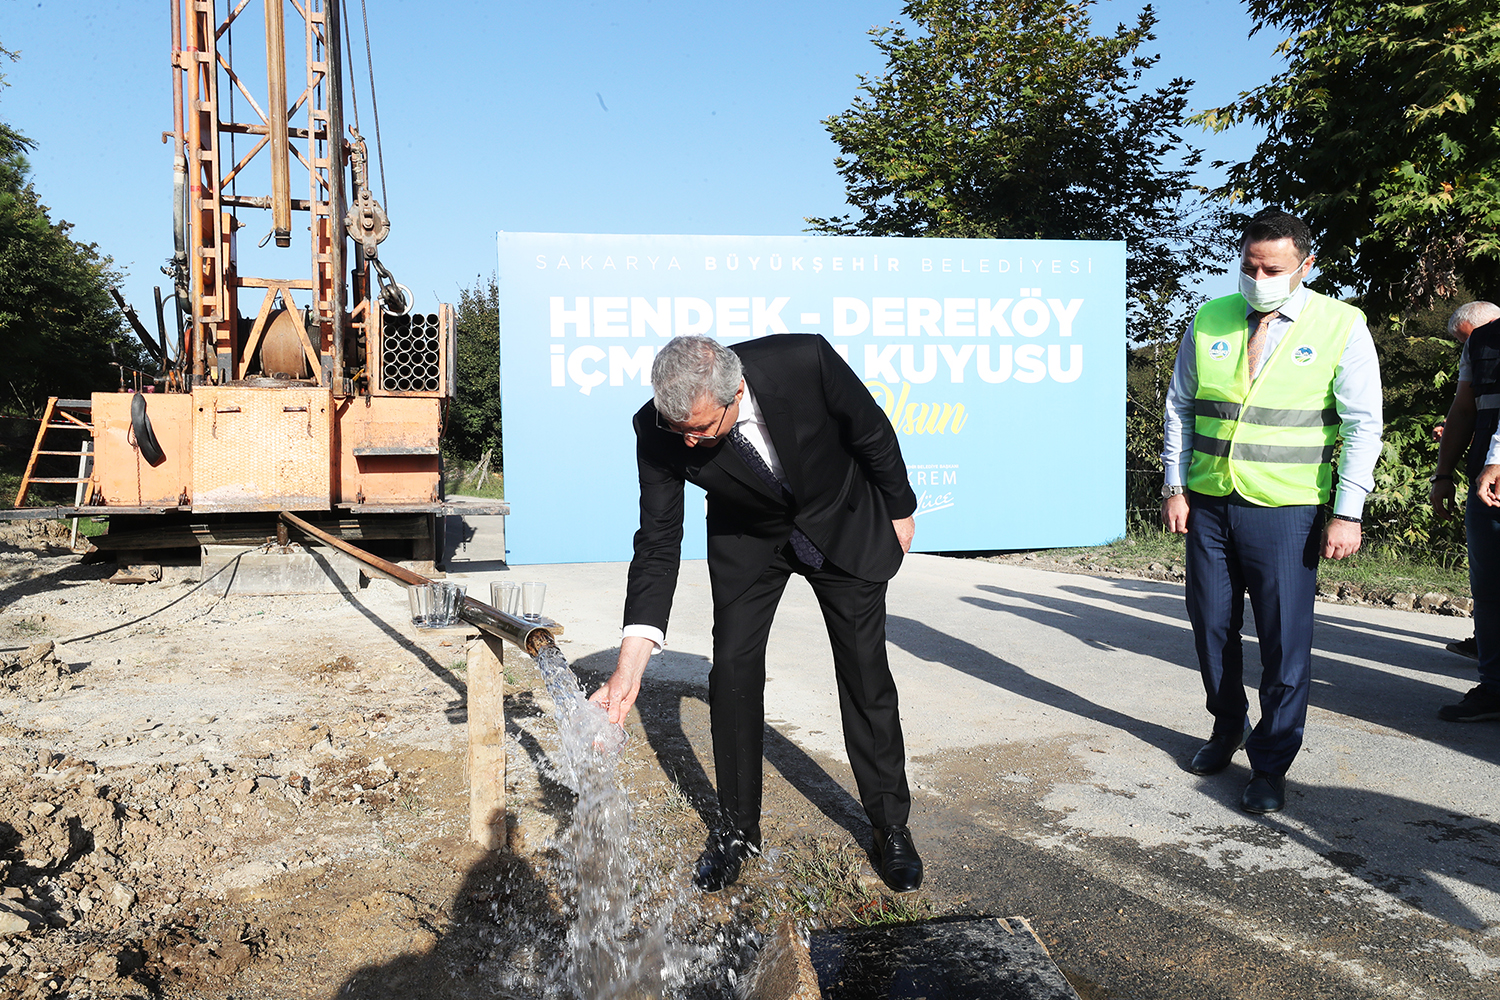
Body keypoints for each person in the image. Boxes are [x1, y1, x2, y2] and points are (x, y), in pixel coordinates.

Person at [590, 333, 922, 893]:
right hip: (749, 538)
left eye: (701, 428)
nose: (690, 443)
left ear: (735, 392)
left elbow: (870, 430)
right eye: (681, 431)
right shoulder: (656, 428)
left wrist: (900, 508)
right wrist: (630, 665)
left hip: (839, 519)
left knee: (865, 672)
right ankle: (737, 832)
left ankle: (891, 826)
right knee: (732, 674)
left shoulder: (804, 360)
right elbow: (657, 540)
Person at [1161, 208, 1383, 815]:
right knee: (1210, 626)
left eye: (1273, 268)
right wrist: (1173, 485)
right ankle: (1226, 725)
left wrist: (1348, 511)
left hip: (1288, 510)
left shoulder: (1341, 324)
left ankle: (1271, 762)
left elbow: (1365, 425)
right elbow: (1180, 406)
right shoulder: (1211, 317)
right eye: (1249, 265)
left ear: (1305, 266)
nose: (1258, 277)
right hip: (1208, 501)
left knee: (1284, 641)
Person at [1429, 304, 1500, 721]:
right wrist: (1443, 475)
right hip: (1484, 489)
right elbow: (1463, 410)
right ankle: (1494, 688)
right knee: (1489, 592)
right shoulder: (1480, 342)